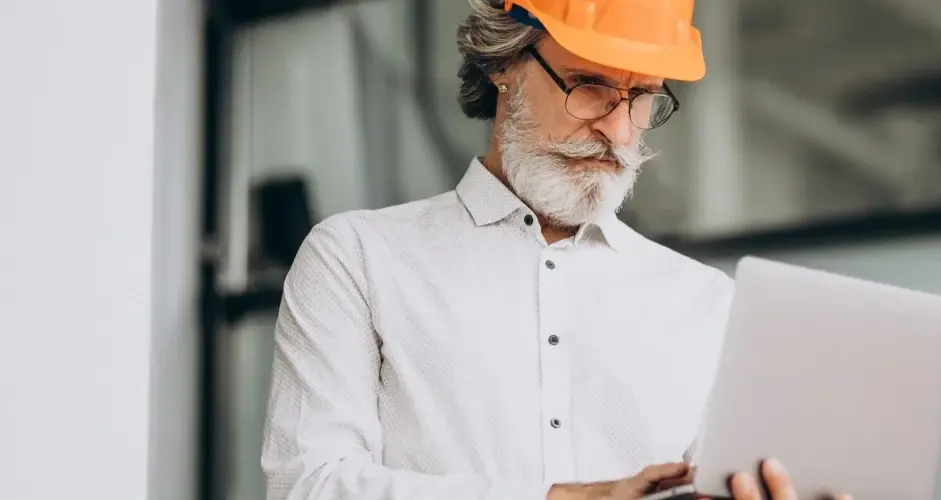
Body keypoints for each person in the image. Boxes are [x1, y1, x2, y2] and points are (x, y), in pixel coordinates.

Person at [260, 1, 849, 499]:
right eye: (590, 86)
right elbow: (307, 485)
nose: (619, 131)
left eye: (643, 96)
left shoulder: (706, 301)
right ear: (504, 65)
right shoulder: (358, 257)